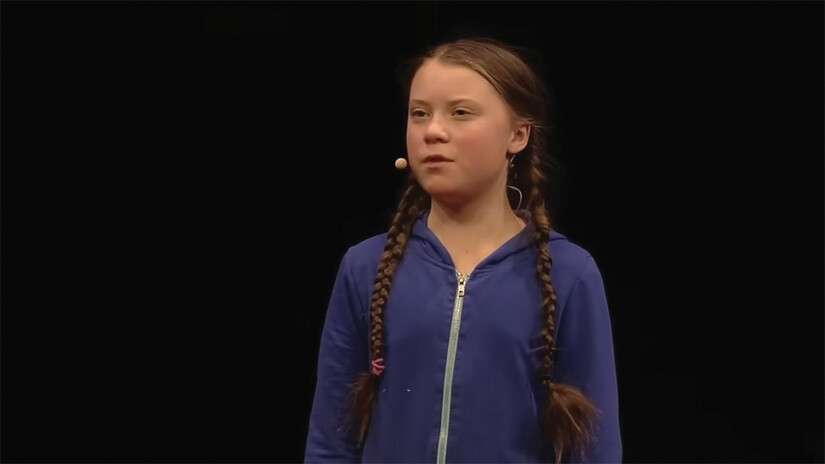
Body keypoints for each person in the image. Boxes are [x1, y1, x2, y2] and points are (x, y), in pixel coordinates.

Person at [304, 37, 622, 464]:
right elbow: (331, 437)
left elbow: (594, 447)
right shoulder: (365, 266)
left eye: (460, 112)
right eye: (420, 114)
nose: (433, 130)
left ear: (518, 134)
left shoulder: (570, 273)